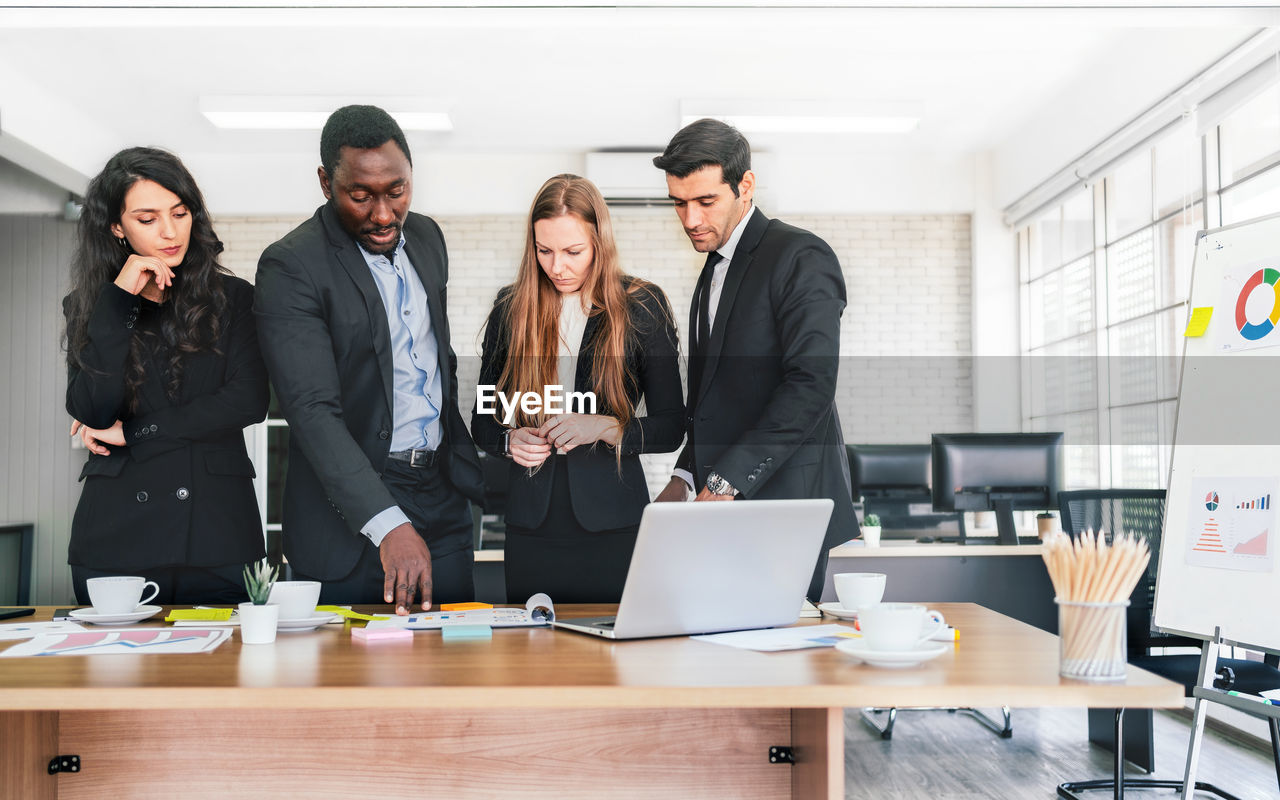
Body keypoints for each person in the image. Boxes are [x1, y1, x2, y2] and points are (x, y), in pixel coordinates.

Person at [255, 105, 483, 613]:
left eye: (396, 192)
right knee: (358, 681)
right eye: (360, 196)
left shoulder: (427, 238)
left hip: (442, 496)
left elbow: (433, 356)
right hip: (353, 513)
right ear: (325, 182)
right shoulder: (292, 265)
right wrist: (388, 522)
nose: (383, 214)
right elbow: (311, 411)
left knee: (456, 668)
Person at [651, 118, 858, 602]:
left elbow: (810, 386)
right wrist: (683, 480)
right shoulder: (714, 268)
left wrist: (724, 482)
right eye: (678, 203)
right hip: (723, 511)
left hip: (783, 508)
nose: (690, 219)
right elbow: (712, 401)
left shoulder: (800, 255)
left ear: (745, 186)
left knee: (777, 668)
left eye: (706, 201)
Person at [63, 147, 268, 605]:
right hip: (117, 538)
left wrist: (135, 432)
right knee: (115, 675)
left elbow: (248, 401)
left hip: (218, 534)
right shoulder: (91, 305)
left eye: (180, 212)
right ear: (117, 227)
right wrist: (118, 303)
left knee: (221, 674)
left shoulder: (234, 299)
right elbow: (92, 407)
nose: (170, 232)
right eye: (147, 218)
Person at [472, 175, 683, 603]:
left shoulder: (642, 305)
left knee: (613, 661)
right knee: (533, 660)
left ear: (599, 244)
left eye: (573, 252)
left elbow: (671, 427)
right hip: (531, 528)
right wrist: (508, 439)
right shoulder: (509, 309)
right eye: (544, 250)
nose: (557, 267)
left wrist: (605, 427)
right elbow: (482, 421)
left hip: (614, 525)